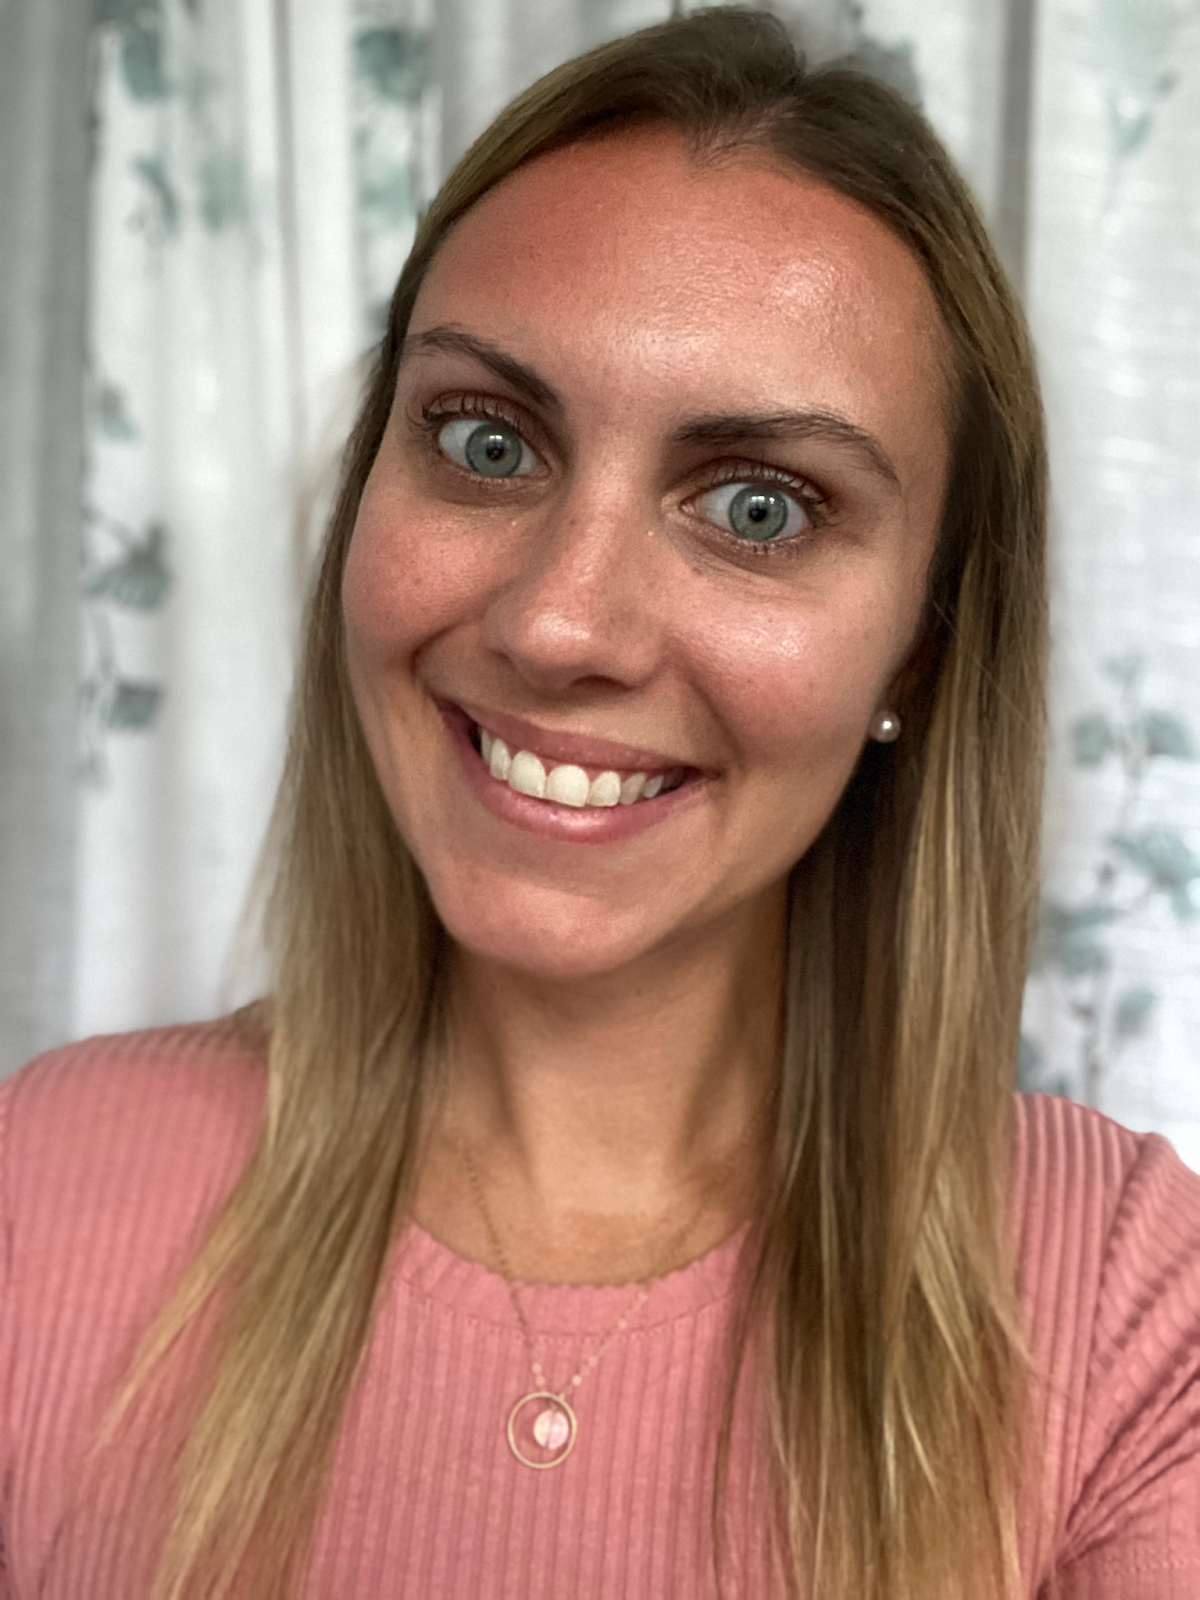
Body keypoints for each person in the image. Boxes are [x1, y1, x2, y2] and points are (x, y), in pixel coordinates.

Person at [2, 9, 1197, 1600]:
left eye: (758, 508)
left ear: (921, 642)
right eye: (486, 441)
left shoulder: (1126, 1313)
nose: (559, 623)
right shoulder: (35, 1193)